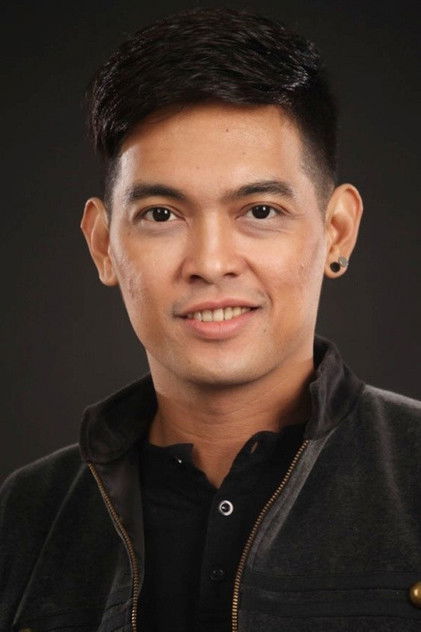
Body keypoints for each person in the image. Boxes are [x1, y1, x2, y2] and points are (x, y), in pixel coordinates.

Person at [1, 7, 420, 632]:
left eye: (260, 210)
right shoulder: (24, 516)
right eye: (161, 215)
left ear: (337, 231)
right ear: (103, 244)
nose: (211, 263)